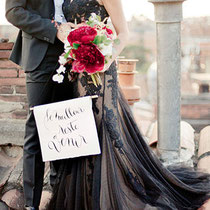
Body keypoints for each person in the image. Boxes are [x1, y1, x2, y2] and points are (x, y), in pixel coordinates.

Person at [46, 0, 210, 210]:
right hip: (78, 71)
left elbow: (124, 33)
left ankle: (105, 195)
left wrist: (105, 58)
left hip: (101, 71)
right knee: (84, 128)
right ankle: (85, 194)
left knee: (102, 125)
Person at [5, 0, 76, 209]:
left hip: (74, 56)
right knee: (37, 129)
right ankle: (31, 204)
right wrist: (54, 30)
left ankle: (60, 197)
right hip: (40, 53)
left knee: (67, 128)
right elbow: (13, 12)